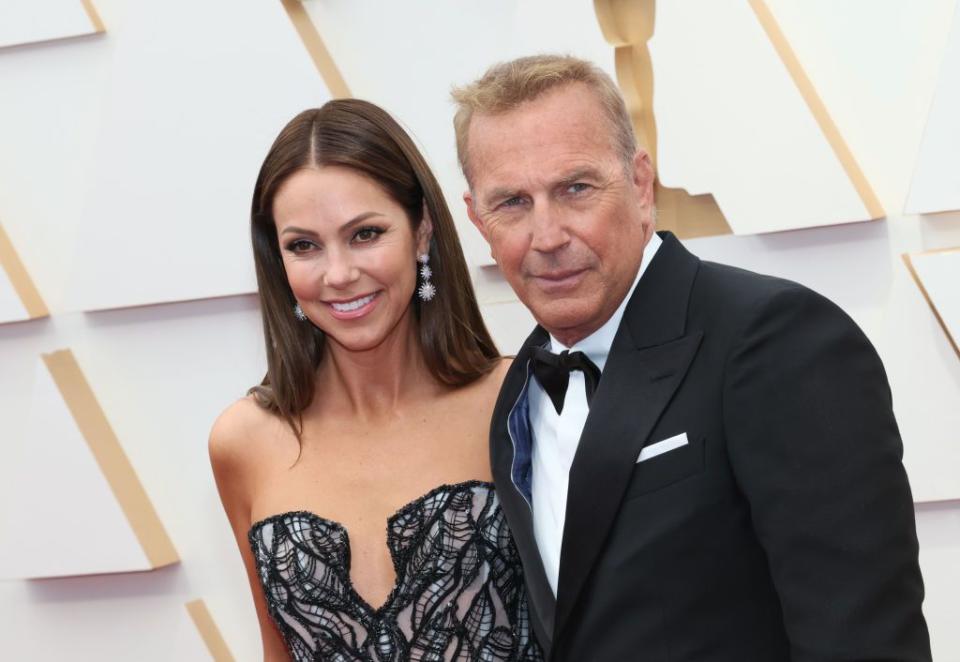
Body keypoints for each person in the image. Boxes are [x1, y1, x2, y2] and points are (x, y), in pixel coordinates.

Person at [453, 55, 931, 661]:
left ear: (641, 184)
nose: (547, 236)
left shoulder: (774, 339)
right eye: (513, 203)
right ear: (476, 218)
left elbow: (864, 640)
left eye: (576, 188)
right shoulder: (516, 390)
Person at [209, 99, 543, 662]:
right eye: (304, 246)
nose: (338, 274)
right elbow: (277, 652)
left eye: (365, 234)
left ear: (421, 232)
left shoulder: (518, 403)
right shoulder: (244, 441)